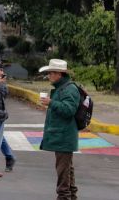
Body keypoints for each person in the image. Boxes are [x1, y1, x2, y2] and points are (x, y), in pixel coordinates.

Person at [39, 59, 80, 200]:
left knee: (63, 171)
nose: (49, 75)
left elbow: (69, 110)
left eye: (51, 73)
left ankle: (64, 197)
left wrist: (52, 103)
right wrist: (52, 103)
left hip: (64, 137)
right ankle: (72, 196)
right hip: (61, 136)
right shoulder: (61, 88)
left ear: (60, 74)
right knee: (67, 169)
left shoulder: (70, 89)